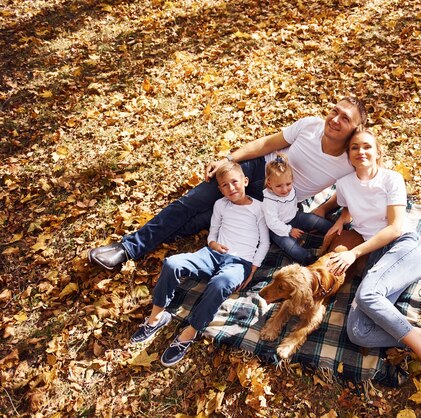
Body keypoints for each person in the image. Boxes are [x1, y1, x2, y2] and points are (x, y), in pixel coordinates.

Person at [88, 97, 367, 270]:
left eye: (345, 118)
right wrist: (227, 159)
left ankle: (152, 240)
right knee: (192, 201)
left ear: (355, 129)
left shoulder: (349, 160)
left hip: (272, 199)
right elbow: (267, 143)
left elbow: (355, 193)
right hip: (256, 168)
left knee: (204, 218)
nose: (335, 119)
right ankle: (128, 248)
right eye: (334, 111)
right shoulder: (310, 125)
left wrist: (332, 211)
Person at [325, 130, 421, 409]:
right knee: (358, 332)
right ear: (348, 155)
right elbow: (347, 205)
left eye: (367, 147)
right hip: (376, 258)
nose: (360, 152)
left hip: (403, 248)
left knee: (367, 296)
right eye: (354, 148)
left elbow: (395, 226)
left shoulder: (391, 179)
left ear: (378, 152)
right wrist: (341, 220)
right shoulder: (344, 183)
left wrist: (355, 252)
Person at [130, 162, 270, 367]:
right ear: (220, 189)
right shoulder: (220, 205)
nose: (231, 188)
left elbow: (264, 242)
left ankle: (190, 331)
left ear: (245, 181)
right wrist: (212, 243)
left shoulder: (259, 208)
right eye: (224, 185)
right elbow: (213, 231)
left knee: (220, 284)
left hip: (240, 263)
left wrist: (252, 269)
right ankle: (157, 316)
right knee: (172, 263)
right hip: (212, 254)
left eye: (235, 182)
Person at [262, 153, 332, 265]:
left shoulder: (290, 188)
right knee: (290, 247)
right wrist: (289, 230)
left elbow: (293, 203)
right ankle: (309, 260)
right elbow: (272, 222)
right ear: (269, 183)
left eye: (288, 184)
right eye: (279, 186)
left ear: (292, 180)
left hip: (295, 216)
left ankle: (336, 231)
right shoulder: (269, 201)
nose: (284, 189)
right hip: (278, 228)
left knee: (315, 220)